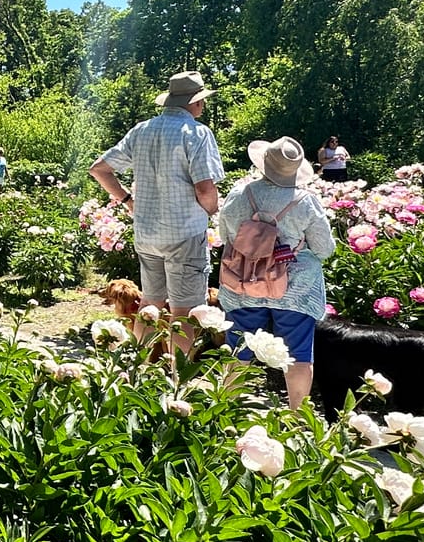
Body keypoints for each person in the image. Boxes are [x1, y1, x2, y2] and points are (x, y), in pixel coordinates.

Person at [88, 71, 224, 356]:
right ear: (196, 103)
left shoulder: (142, 130)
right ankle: (178, 381)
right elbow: (204, 189)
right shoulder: (198, 133)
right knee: (184, 311)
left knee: (150, 303)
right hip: (185, 234)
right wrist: (212, 210)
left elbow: (99, 169)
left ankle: (141, 372)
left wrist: (127, 201)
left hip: (147, 233)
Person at [218, 137, 335, 410]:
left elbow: (225, 236)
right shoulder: (305, 202)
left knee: (238, 349)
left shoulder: (239, 195)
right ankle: (297, 416)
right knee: (298, 355)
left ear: (264, 165)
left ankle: (224, 411)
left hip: (244, 282)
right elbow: (324, 249)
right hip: (295, 291)